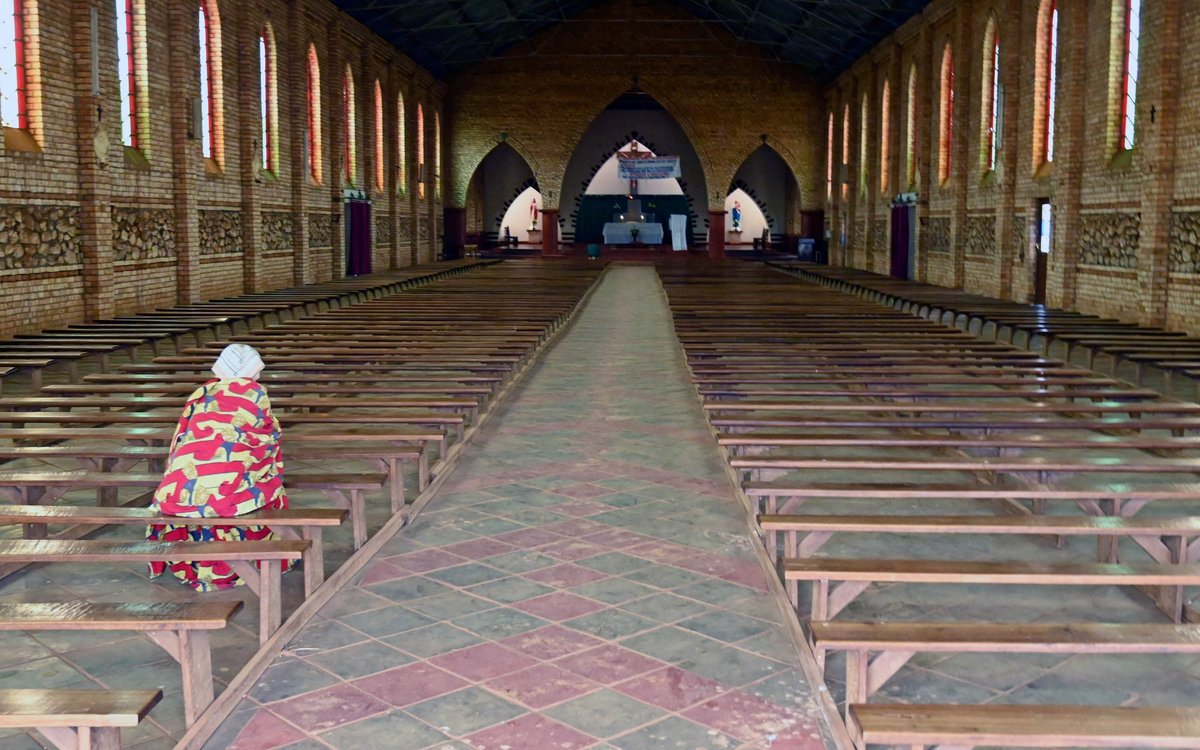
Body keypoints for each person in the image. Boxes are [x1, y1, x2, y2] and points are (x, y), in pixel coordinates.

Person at [147, 344, 292, 591]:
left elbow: (181, 436)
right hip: (228, 492)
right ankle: (250, 555)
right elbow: (265, 436)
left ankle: (194, 560)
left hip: (184, 488)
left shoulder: (202, 393)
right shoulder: (255, 392)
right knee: (267, 484)